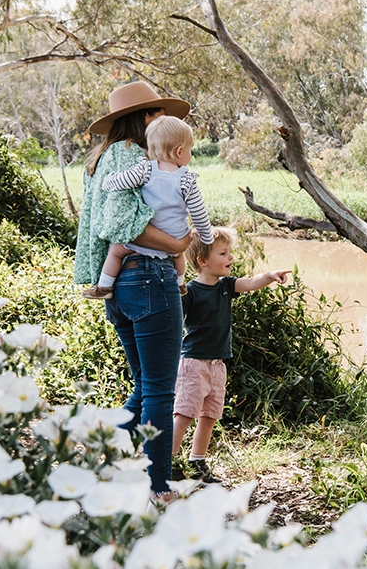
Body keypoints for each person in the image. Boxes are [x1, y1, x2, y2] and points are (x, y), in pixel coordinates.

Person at [73, 81, 192, 496]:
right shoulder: (129, 156)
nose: (164, 122)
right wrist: (179, 244)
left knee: (144, 385)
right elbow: (123, 223)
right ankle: (158, 485)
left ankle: (105, 452)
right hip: (149, 278)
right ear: (144, 118)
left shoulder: (103, 158)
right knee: (160, 388)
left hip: (122, 282)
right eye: (158, 114)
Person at [171, 228, 291, 483]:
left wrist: (269, 276)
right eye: (223, 253)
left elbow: (249, 283)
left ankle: (197, 461)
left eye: (230, 253)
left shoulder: (226, 285)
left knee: (210, 414)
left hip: (218, 364)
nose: (230, 258)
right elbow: (173, 319)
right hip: (194, 362)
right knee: (185, 413)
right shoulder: (190, 291)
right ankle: (166, 462)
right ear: (202, 262)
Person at [83, 115, 213, 299]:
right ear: (179, 151)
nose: (190, 154)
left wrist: (107, 180)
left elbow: (119, 182)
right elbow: (199, 214)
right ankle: (180, 283)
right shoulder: (187, 179)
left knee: (116, 250)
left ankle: (104, 286)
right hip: (175, 236)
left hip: (149, 237)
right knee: (178, 256)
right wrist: (207, 239)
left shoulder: (145, 170)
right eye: (190, 149)